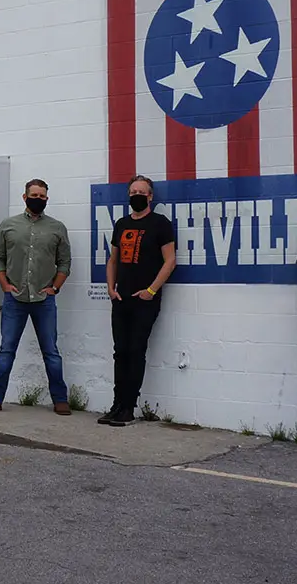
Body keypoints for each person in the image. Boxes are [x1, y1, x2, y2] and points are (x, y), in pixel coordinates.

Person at [0, 179, 73, 415]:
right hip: (15, 299)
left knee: (51, 352)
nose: (39, 199)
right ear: (25, 197)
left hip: (44, 300)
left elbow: (65, 261)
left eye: (43, 196)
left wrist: (55, 287)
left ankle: (60, 400)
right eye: (34, 195)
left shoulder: (57, 228)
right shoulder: (8, 226)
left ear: (47, 198)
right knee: (6, 350)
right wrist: (4, 285)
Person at [100, 175, 176, 427]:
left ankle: (129, 408)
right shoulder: (121, 224)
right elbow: (113, 260)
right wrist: (111, 288)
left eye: (141, 192)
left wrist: (151, 290)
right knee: (120, 352)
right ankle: (116, 405)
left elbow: (170, 261)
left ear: (150, 196)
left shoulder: (160, 224)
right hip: (121, 299)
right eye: (133, 191)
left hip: (145, 300)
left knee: (135, 350)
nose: (136, 195)